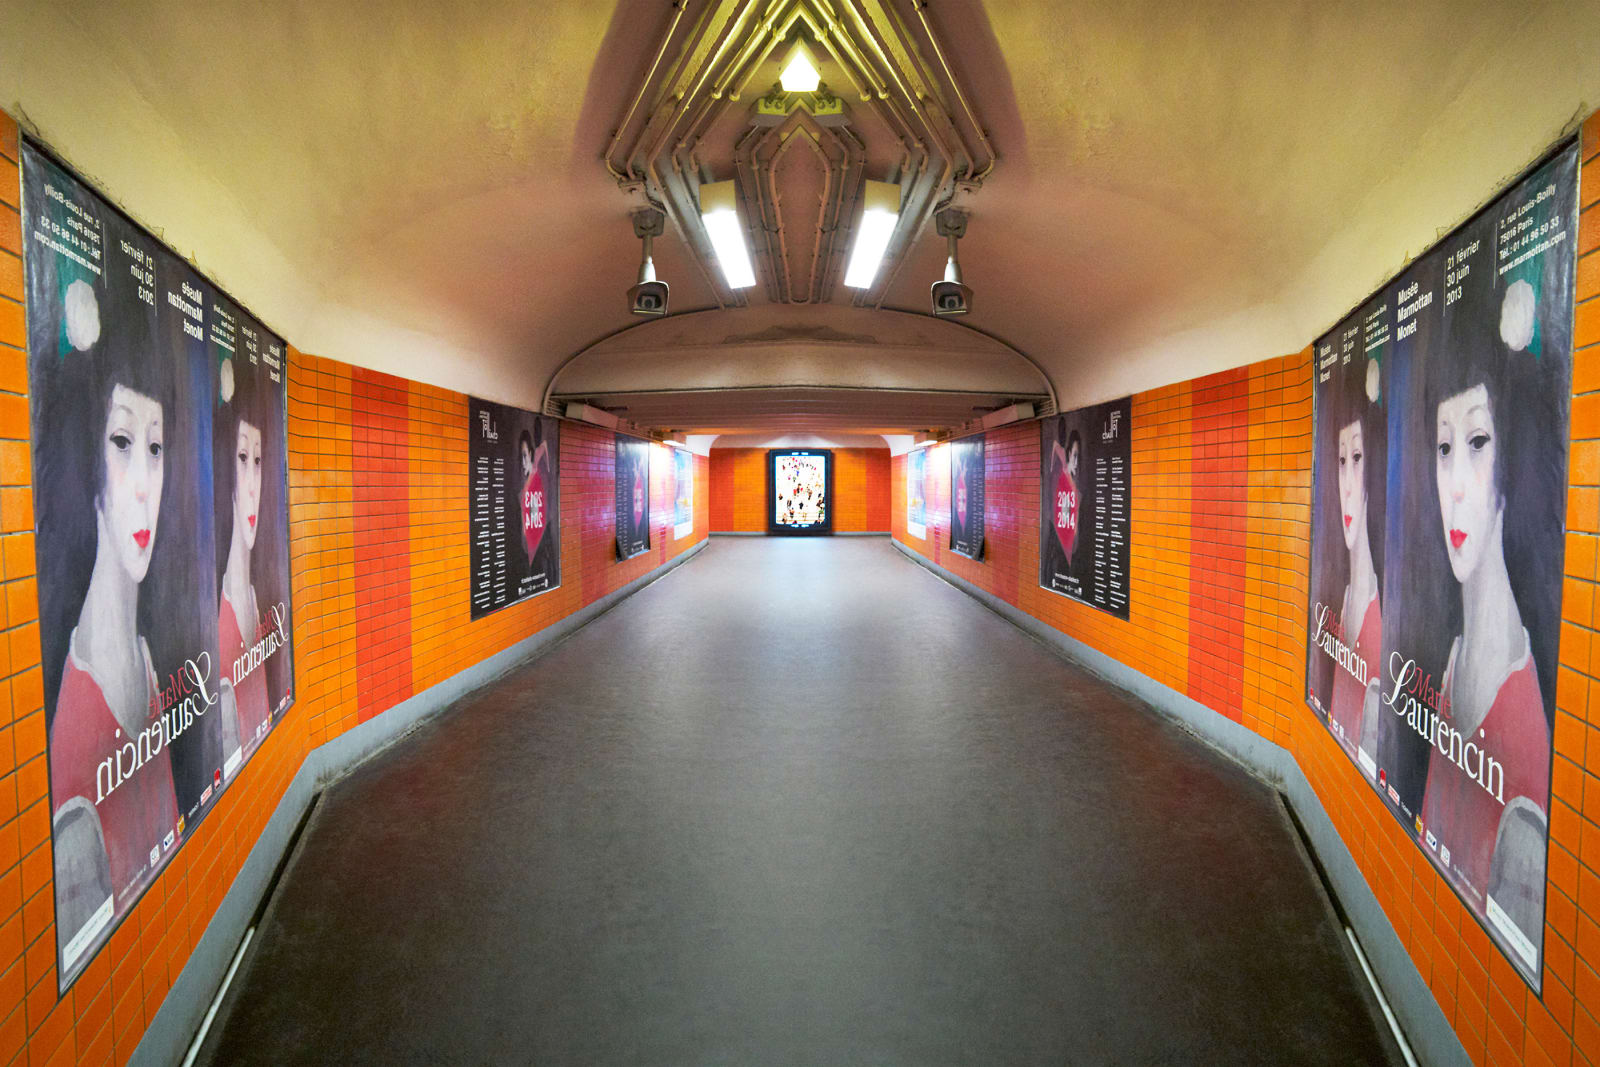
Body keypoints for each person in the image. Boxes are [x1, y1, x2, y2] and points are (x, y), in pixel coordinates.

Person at [1420, 280, 1551, 950]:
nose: (1458, 482)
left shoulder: (1527, 754)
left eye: (1476, 440)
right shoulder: (1451, 664)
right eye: (1444, 449)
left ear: (1509, 461)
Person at [47, 311, 179, 966]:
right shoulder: (73, 784)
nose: (143, 483)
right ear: (90, 463)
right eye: (122, 440)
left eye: (156, 449)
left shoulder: (148, 662)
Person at [1327, 358, 1382, 775]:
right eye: (1341, 460)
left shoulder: (1381, 626)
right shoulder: (1344, 599)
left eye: (1358, 457)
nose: (1347, 482)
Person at [217, 359, 270, 754]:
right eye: (241, 459)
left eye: (258, 461)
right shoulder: (220, 623)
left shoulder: (255, 598)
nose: (252, 485)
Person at [519, 424, 550, 564]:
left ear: (530, 454)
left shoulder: (533, 479)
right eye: (521, 457)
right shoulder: (538, 454)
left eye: (525, 455)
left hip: (536, 546)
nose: (523, 462)